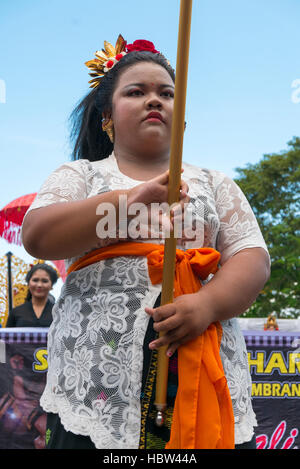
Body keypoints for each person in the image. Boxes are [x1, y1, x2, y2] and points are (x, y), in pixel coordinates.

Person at [22, 35, 270, 450]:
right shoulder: (81, 176)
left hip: (199, 353)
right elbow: (40, 235)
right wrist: (127, 205)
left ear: (182, 119)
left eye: (167, 94)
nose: (154, 100)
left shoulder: (215, 183)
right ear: (108, 115)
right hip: (98, 377)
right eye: (136, 92)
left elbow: (251, 257)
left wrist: (208, 304)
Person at [6, 264, 58, 328]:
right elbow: (6, 337)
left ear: (51, 286)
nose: (39, 285)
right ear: (28, 283)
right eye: (35, 280)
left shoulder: (60, 312)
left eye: (45, 281)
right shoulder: (15, 312)